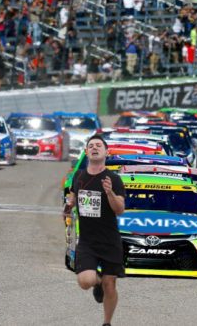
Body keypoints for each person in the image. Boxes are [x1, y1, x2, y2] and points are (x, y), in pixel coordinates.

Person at [63, 135, 125, 326]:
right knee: (85, 281)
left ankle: (107, 322)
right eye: (91, 146)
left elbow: (119, 209)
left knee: (110, 285)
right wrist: (69, 205)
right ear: (86, 152)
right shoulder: (79, 177)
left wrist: (109, 193)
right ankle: (96, 283)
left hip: (110, 240)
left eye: (99, 145)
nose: (95, 148)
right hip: (88, 241)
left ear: (107, 152)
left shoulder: (113, 179)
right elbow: (71, 201)